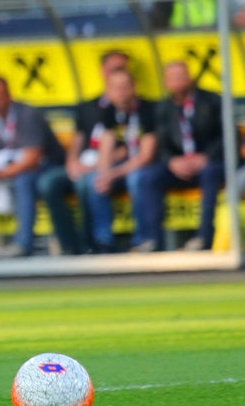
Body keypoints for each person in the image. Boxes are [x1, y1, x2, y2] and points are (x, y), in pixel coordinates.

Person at [0, 76, 66, 259]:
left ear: (8, 96)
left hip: (43, 167)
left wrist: (1, 174)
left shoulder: (27, 114)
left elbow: (33, 156)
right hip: (6, 172)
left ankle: (22, 244)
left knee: (23, 181)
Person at [38, 50, 129, 256]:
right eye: (114, 69)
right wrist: (72, 162)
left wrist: (94, 167)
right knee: (48, 183)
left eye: (122, 70)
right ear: (103, 72)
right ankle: (68, 243)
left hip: (107, 165)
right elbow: (78, 139)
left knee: (86, 182)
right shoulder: (88, 106)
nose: (118, 73)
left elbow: (129, 146)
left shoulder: (129, 107)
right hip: (83, 162)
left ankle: (90, 242)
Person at [140, 62, 226, 252]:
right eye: (172, 78)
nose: (177, 82)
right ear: (166, 82)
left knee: (209, 173)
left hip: (210, 162)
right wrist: (171, 161)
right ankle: (153, 240)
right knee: (148, 177)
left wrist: (206, 156)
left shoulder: (212, 101)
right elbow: (160, 143)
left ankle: (203, 238)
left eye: (181, 76)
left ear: (190, 77)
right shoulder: (163, 107)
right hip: (179, 165)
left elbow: (227, 136)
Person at [84, 69, 158, 253]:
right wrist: (104, 174)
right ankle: (103, 240)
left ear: (134, 88)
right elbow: (106, 146)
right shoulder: (109, 111)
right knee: (95, 180)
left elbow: (145, 156)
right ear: (108, 91)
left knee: (136, 179)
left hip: (149, 165)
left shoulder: (148, 110)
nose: (121, 92)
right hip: (125, 164)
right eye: (115, 88)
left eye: (125, 87)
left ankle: (143, 239)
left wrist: (114, 174)